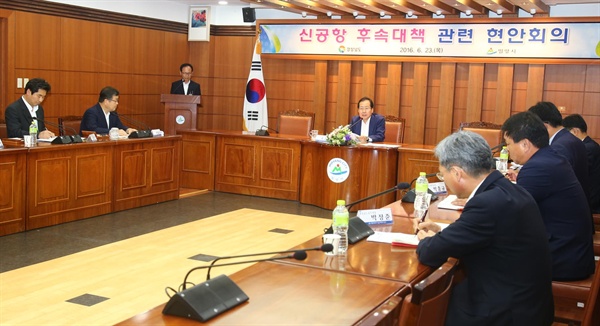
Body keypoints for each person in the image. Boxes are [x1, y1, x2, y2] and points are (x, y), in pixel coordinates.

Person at [416, 130, 553, 326]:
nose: (443, 179)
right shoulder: (509, 189)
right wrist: (442, 233)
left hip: (506, 314)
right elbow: (484, 235)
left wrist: (424, 238)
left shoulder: (486, 204)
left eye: (442, 174)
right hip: (530, 304)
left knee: (427, 309)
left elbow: (430, 252)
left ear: (457, 173)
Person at [502, 111, 594, 280]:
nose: (507, 149)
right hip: (571, 250)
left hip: (562, 258)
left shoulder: (538, 168)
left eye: (508, 144)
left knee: (491, 260)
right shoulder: (549, 158)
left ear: (525, 144)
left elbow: (510, 213)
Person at [528, 101, 590, 202]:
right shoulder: (567, 138)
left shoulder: (560, 147)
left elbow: (549, 181)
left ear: (544, 126)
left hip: (566, 208)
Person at [563, 113, 600, 213]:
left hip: (591, 202)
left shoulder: (588, 148)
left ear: (575, 131)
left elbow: (574, 173)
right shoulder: (589, 145)